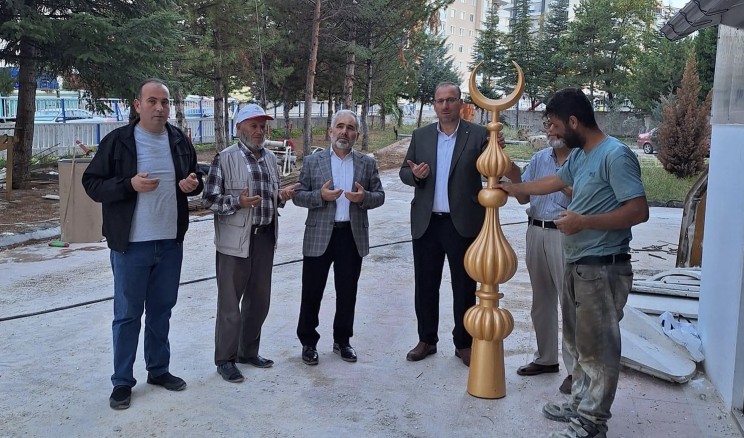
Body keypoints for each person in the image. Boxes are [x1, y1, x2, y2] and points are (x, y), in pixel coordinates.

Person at [497, 87, 649, 438]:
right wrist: (516, 189)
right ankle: (579, 402)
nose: (551, 131)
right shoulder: (581, 156)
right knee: (578, 343)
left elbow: (638, 211)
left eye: (553, 124)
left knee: (598, 349)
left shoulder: (616, 155)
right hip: (579, 263)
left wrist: (584, 222)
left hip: (604, 266)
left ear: (574, 121)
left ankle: (593, 423)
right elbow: (555, 181)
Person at [82, 78, 203, 410]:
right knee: (127, 315)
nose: (159, 108)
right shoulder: (118, 142)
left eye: (164, 102)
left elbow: (194, 178)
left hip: (169, 243)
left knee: (162, 311)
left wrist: (191, 184)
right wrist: (129, 184)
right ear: (137, 106)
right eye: (152, 101)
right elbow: (91, 183)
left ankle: (159, 370)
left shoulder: (178, 140)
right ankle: (122, 381)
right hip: (130, 245)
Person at [399, 81, 509, 367]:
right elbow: (404, 171)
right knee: (425, 284)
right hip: (426, 223)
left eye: (451, 100)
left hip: (463, 223)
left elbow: (493, 166)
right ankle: (426, 340)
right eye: (440, 101)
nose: (445, 106)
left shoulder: (478, 135)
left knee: (464, 286)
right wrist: (416, 176)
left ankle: (464, 343)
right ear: (434, 105)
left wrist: (497, 149)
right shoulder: (421, 135)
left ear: (461, 104)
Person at [201, 104, 300, 383]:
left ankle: (248, 351)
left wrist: (281, 195)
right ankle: (226, 359)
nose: (259, 131)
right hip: (235, 242)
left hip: (265, 237)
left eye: (262, 127)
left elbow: (269, 196)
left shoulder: (269, 158)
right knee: (230, 304)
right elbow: (208, 200)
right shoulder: (226, 158)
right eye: (253, 126)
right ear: (239, 128)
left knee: (259, 301)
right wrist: (237, 203)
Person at [294, 109, 385, 365]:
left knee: (348, 292)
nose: (345, 132)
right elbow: (299, 196)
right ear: (330, 131)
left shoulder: (366, 163)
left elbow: (380, 196)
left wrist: (364, 198)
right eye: (340, 126)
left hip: (351, 236)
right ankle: (308, 343)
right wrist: (319, 197)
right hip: (319, 235)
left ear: (357, 134)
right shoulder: (314, 162)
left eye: (351, 127)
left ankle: (342, 341)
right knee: (311, 292)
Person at [505, 134, 574, 394]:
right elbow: (524, 197)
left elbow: (591, 199)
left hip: (565, 234)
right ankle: (546, 358)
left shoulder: (580, 160)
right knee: (541, 300)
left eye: (556, 124)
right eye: (548, 124)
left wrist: (569, 190)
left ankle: (575, 370)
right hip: (535, 230)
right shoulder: (539, 158)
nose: (551, 130)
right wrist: (512, 174)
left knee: (570, 303)